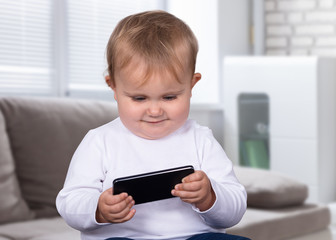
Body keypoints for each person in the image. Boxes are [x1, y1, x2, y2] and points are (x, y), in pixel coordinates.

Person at [56, 10, 248, 240]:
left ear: (191, 84)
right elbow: (70, 201)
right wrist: (98, 208)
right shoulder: (99, 142)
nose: (155, 111)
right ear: (114, 87)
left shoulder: (201, 139)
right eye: (139, 98)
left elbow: (236, 207)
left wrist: (210, 196)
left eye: (169, 97)